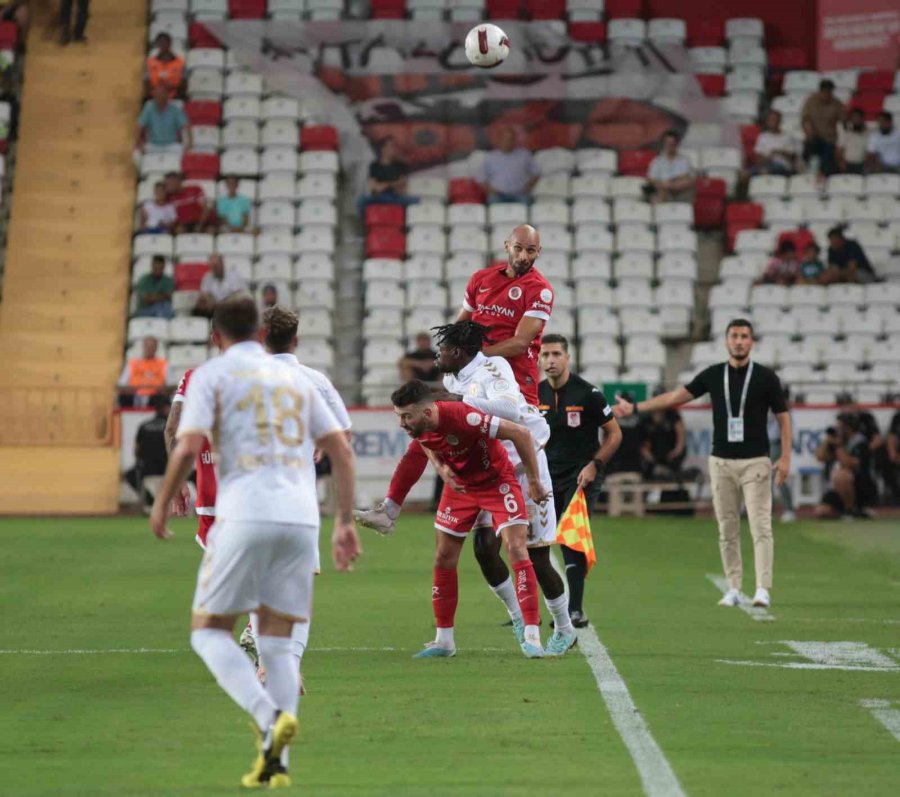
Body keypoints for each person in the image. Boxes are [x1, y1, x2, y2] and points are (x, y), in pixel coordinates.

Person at [149, 295, 360, 790]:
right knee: (278, 643)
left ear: (216, 336)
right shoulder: (298, 379)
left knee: (208, 632)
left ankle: (267, 716)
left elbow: (185, 440)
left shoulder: (211, 377)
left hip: (244, 513)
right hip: (300, 519)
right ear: (262, 334)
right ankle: (276, 761)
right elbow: (342, 453)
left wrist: (164, 498)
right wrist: (345, 521)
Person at [358, 322, 578, 655]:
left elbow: (510, 411)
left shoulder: (493, 368)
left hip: (523, 462)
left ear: (458, 352)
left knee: (535, 555)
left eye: (443, 348)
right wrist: (442, 463)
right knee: (483, 549)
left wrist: (459, 403)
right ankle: (518, 619)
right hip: (479, 466)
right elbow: (432, 429)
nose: (437, 354)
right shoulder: (450, 378)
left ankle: (564, 627)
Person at [613, 318, 791, 609]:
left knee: (761, 526)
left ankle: (762, 588)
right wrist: (635, 408)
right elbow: (675, 397)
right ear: (726, 340)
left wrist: (785, 457)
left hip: (756, 461)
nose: (739, 341)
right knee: (727, 527)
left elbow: (783, 418)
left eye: (744, 336)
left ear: (752, 342)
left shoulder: (765, 377)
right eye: (734, 336)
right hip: (721, 461)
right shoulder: (713, 374)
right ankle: (734, 587)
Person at [386, 379, 550, 658]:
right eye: (398, 416)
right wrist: (440, 468)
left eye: (406, 416)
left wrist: (533, 481)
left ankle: (532, 635)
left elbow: (521, 434)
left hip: (497, 482)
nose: (402, 423)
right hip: (460, 488)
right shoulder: (420, 424)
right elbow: (424, 443)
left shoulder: (465, 416)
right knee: (443, 557)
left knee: (515, 548)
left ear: (427, 412)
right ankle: (444, 641)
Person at [538, 334, 621, 627]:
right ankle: (538, 607)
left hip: (581, 475)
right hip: (547, 477)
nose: (550, 360)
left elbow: (615, 434)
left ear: (567, 358)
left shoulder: (588, 393)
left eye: (556, 354)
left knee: (571, 538)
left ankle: (575, 609)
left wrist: (595, 465)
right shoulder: (536, 395)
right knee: (538, 539)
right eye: (545, 354)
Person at [458, 224, 553, 405]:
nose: (523, 256)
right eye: (518, 248)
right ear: (507, 246)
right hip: (479, 376)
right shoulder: (480, 279)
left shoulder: (540, 289)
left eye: (530, 250)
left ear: (539, 252)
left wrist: (476, 355)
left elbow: (519, 344)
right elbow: (460, 326)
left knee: (519, 433)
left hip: (518, 378)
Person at [814, 413, 877, 519]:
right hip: (836, 488)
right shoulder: (836, 440)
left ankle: (850, 510)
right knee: (821, 512)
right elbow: (820, 457)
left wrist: (839, 446)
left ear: (848, 428)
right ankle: (850, 513)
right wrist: (827, 441)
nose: (837, 429)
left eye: (840, 426)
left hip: (857, 487)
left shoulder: (860, 442)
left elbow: (848, 464)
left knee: (841, 475)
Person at [124, 394, 170, 509]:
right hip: (168, 468)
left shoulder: (144, 426)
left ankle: (149, 500)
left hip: (147, 469)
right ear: (166, 408)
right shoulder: (171, 427)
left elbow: (136, 449)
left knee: (129, 475)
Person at [480, 126, 539, 204]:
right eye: (505, 139)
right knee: (492, 202)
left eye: (511, 139)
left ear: (515, 141)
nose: (508, 142)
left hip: (520, 194)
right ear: (499, 140)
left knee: (527, 201)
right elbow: (481, 179)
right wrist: (491, 191)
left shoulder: (524, 155)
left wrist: (528, 187)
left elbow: (536, 173)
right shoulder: (490, 157)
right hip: (498, 195)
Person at [357, 137, 416, 213]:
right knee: (361, 201)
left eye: (393, 147)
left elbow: (402, 184)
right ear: (383, 149)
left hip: (395, 197)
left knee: (416, 201)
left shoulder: (400, 165)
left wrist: (386, 185)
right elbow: (374, 187)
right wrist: (393, 184)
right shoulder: (375, 166)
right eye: (390, 146)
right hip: (380, 197)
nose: (392, 149)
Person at [135, 84, 191, 164]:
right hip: (153, 145)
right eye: (157, 94)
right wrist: (138, 144)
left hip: (171, 145)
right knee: (136, 155)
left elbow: (186, 126)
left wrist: (188, 144)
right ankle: (144, 174)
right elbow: (139, 126)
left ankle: (175, 175)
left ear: (167, 95)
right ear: (154, 95)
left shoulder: (174, 109)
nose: (159, 96)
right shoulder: (149, 107)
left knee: (186, 154)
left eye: (162, 94)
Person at [801, 79, 845, 177]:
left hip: (829, 140)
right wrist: (809, 132)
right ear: (820, 91)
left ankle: (822, 175)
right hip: (814, 137)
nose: (826, 94)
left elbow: (844, 123)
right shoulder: (811, 101)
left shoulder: (837, 104)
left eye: (829, 91)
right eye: (824, 91)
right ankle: (806, 172)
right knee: (808, 147)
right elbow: (805, 120)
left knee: (828, 155)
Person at [768, 386, 796, 522]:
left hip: (779, 443)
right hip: (772, 443)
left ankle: (789, 509)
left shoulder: (783, 410)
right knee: (769, 479)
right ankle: (770, 510)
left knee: (779, 477)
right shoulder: (775, 408)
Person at [117, 336, 170, 406]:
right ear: (143, 346)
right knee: (123, 397)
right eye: (147, 346)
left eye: (152, 346)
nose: (149, 349)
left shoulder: (163, 364)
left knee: (163, 398)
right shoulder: (132, 363)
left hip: (155, 398)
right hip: (134, 396)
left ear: (156, 348)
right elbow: (121, 384)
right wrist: (129, 390)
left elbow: (171, 385)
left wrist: (162, 389)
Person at [646, 129, 695, 202]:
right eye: (668, 143)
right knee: (657, 192)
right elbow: (652, 179)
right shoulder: (656, 162)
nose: (670, 146)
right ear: (664, 144)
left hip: (681, 191)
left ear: (676, 144)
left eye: (672, 144)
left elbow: (687, 178)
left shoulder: (684, 161)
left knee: (690, 184)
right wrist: (665, 185)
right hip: (663, 191)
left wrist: (672, 183)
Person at [193, 253, 249, 318]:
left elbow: (237, 296)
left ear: (222, 263)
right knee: (197, 310)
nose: (214, 269)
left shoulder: (234, 275)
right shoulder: (207, 277)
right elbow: (205, 295)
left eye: (216, 266)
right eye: (212, 267)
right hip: (215, 309)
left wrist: (221, 304)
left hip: (231, 308)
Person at [750, 110, 797, 176]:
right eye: (771, 120)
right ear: (767, 121)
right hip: (765, 166)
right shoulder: (763, 137)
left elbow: (793, 158)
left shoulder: (787, 137)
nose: (773, 122)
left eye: (775, 119)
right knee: (744, 174)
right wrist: (768, 158)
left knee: (768, 171)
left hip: (782, 167)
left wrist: (780, 152)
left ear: (779, 121)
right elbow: (758, 159)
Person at [146, 32, 185, 99]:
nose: (163, 45)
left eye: (165, 43)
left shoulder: (180, 62)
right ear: (157, 45)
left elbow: (183, 82)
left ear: (170, 43)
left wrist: (172, 86)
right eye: (160, 43)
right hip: (155, 95)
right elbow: (147, 82)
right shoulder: (150, 62)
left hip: (175, 95)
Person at [837, 108, 869, 174]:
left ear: (862, 118)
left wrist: (867, 164)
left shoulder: (868, 133)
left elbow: (868, 151)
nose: (856, 119)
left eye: (858, 117)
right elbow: (839, 149)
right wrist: (841, 162)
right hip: (847, 164)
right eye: (854, 117)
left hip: (861, 164)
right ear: (851, 119)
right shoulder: (845, 132)